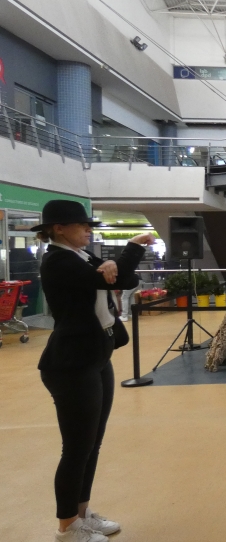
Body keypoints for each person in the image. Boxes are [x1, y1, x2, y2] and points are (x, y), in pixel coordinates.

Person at [32, 200, 154, 542]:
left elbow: (125, 279)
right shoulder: (58, 261)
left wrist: (118, 261)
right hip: (71, 365)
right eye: (83, 226)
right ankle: (67, 526)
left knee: (91, 444)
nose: (89, 231)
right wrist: (131, 246)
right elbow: (101, 283)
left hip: (96, 359)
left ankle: (82, 514)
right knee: (76, 448)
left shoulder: (81, 257)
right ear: (59, 229)